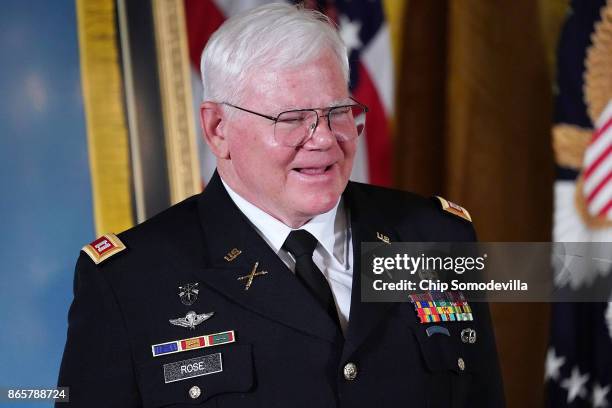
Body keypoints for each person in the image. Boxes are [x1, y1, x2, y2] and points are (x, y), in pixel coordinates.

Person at [57, 3, 504, 407]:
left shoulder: (437, 238)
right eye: (292, 120)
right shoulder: (128, 283)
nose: (326, 139)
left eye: (338, 112)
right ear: (217, 129)